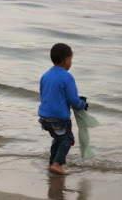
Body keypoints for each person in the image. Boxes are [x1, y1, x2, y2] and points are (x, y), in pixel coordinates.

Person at [38, 43, 88, 175]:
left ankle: (51, 163)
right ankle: (57, 164)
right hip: (59, 118)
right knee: (67, 139)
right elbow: (73, 100)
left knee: (58, 139)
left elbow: (44, 95)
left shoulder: (45, 75)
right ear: (67, 60)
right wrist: (82, 104)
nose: (71, 62)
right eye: (71, 59)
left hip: (44, 118)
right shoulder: (67, 77)